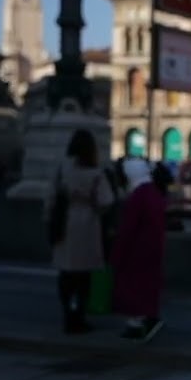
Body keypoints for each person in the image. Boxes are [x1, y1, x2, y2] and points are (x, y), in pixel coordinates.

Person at [49, 129, 113, 334]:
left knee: (66, 272)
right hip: (87, 223)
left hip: (65, 222)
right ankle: (79, 316)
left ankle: (67, 314)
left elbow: (51, 196)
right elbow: (106, 201)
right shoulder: (95, 172)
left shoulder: (62, 168)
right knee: (84, 274)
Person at [111, 159, 170, 342]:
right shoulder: (152, 192)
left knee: (133, 287)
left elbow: (128, 227)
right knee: (147, 286)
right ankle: (146, 318)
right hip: (151, 247)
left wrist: (117, 252)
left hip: (136, 250)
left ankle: (137, 323)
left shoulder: (138, 195)